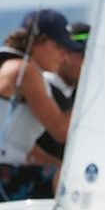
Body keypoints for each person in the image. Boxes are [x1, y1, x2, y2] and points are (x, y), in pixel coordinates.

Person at [0, 9, 78, 203]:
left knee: (68, 170)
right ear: (38, 41)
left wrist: (61, 165)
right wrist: (93, 98)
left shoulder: (11, 64)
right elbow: (62, 131)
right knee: (80, 180)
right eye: (59, 47)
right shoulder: (23, 71)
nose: (64, 56)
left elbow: (24, 147)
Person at [34, 21, 88, 166]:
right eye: (82, 54)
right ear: (64, 54)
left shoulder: (77, 93)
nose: (87, 62)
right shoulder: (42, 88)